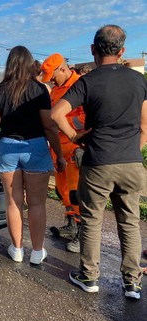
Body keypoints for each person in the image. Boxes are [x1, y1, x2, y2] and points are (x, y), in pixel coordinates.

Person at [51, 25, 147, 299]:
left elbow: (57, 113)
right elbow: (145, 125)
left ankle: (89, 276)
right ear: (123, 51)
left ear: (93, 50)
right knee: (129, 222)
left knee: (92, 220)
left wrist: (76, 136)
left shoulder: (87, 82)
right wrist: (132, 150)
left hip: (98, 162)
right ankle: (132, 282)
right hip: (130, 162)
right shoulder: (138, 81)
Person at [0, 46, 65, 265]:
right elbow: (49, 126)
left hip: (8, 148)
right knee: (37, 204)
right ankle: (37, 252)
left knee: (13, 203)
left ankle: (17, 249)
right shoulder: (39, 90)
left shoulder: (0, 90)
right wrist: (59, 155)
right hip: (36, 147)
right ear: (29, 64)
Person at [41, 53, 86, 253]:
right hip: (58, 147)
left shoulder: (80, 86)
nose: (50, 79)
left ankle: (83, 234)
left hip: (74, 146)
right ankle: (71, 223)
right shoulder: (56, 90)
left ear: (62, 68)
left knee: (77, 193)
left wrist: (63, 124)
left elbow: (86, 119)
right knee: (63, 190)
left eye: (52, 75)